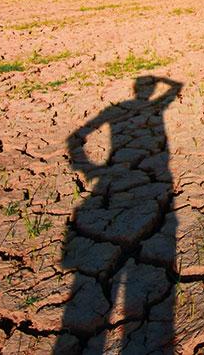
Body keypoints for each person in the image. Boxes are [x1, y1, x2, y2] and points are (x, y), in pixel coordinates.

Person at [55, 75, 182, 353]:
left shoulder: (121, 109)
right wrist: (88, 168)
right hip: (128, 183)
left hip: (115, 182)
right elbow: (176, 88)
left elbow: (78, 138)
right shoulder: (148, 107)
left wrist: (86, 166)